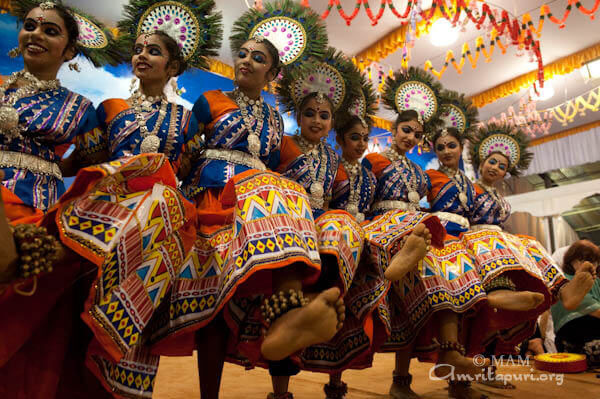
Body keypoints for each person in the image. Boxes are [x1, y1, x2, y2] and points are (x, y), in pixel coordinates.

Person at [150, 3, 345, 398]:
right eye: (242, 53)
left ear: (272, 74)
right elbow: (185, 151)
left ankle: (289, 312)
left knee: (286, 197)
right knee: (212, 311)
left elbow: (285, 168)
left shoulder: (276, 122)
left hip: (253, 210)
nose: (246, 61)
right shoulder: (210, 100)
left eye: (259, 58)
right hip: (211, 201)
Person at [0, 1, 121, 398]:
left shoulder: (82, 111)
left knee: (38, 319)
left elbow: (84, 165)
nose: (36, 34)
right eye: (31, 26)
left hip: (42, 210)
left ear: (69, 51)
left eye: (50, 30)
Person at [264, 47, 384, 399]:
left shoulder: (334, 158)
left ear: (332, 123)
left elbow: (332, 201)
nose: (317, 120)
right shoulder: (282, 144)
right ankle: (281, 385)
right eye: (310, 114)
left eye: (325, 115)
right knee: (288, 290)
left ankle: (321, 300)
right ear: (299, 116)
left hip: (321, 224)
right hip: (286, 221)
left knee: (342, 225)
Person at [364, 70, 488, 399]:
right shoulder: (373, 161)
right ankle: (405, 378)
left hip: (418, 227)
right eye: (406, 130)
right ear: (393, 130)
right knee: (419, 287)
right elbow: (361, 200)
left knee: (449, 280)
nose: (411, 137)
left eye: (417, 134)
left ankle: (451, 371)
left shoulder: (420, 172)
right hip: (384, 225)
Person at [552, 239, 600, 366]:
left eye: (594, 261)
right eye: (583, 259)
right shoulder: (562, 282)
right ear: (571, 260)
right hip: (574, 340)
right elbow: (596, 311)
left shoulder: (596, 282)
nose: (591, 265)